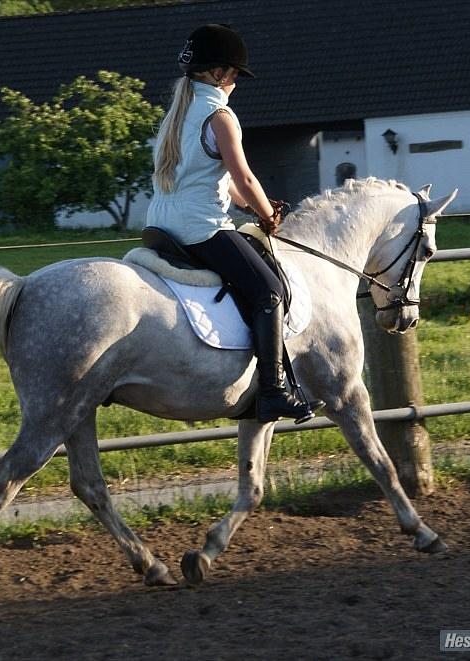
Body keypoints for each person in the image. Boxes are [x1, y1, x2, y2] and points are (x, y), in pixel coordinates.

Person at [146, 23, 323, 424]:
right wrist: (266, 215)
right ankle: (273, 391)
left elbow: (222, 182)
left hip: (161, 224)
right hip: (200, 228)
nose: (236, 85)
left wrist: (250, 207)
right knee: (270, 290)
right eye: (235, 77)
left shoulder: (177, 114)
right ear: (222, 74)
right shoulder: (220, 116)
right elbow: (243, 178)